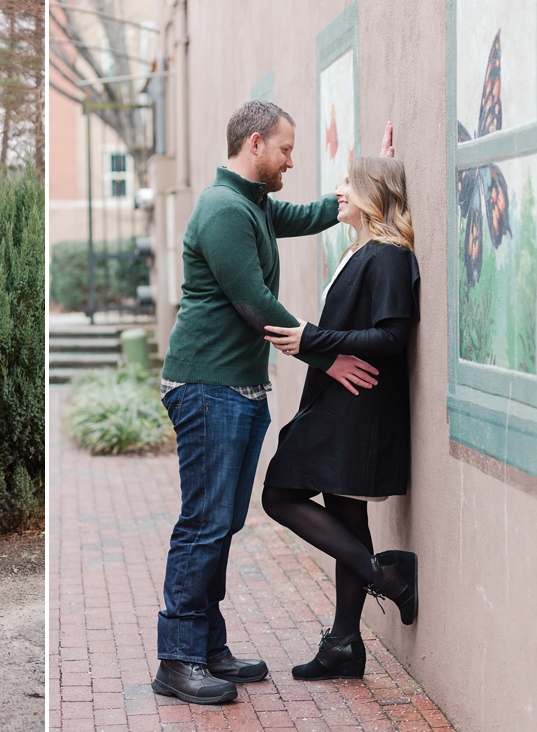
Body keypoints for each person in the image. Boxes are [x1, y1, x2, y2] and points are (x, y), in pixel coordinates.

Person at [151, 100, 393, 705]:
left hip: (236, 389)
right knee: (204, 523)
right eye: (285, 149)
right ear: (255, 144)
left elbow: (314, 213)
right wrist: (325, 353)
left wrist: (374, 182)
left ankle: (208, 646)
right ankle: (177, 658)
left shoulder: (253, 204)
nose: (291, 160)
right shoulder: (224, 209)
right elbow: (253, 303)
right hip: (208, 388)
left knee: (223, 521)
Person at [261, 156, 419, 680]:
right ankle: (345, 644)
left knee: (279, 494)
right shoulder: (364, 250)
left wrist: (313, 339)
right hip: (340, 403)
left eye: (349, 183)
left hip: (358, 408)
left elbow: (393, 337)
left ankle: (385, 576)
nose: (338, 191)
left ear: (374, 193)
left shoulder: (391, 257)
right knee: (347, 519)